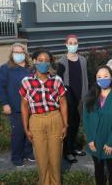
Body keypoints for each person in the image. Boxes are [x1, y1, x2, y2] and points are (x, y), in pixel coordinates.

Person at [19, 49, 68, 185]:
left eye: (47, 61)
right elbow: (24, 106)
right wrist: (26, 127)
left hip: (55, 119)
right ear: (34, 61)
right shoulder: (27, 81)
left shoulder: (57, 80)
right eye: (40, 60)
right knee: (41, 159)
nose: (43, 63)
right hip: (36, 121)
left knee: (55, 157)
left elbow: (63, 102)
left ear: (50, 62)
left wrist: (65, 124)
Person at [83, 65, 112, 185]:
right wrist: (90, 139)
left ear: (111, 77)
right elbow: (86, 119)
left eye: (106, 76)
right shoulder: (90, 97)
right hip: (94, 141)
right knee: (98, 168)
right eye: (99, 77)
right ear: (95, 79)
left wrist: (110, 142)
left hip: (111, 141)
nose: (103, 79)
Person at [0, 43, 34, 167]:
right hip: (15, 107)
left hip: (32, 107)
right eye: (15, 52)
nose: (18, 54)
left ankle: (28, 152)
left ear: (25, 54)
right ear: (11, 54)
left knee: (30, 130)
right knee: (18, 133)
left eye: (20, 52)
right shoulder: (5, 68)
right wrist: (5, 104)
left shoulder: (30, 68)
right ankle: (16, 156)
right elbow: (0, 87)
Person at [58, 34, 89, 163]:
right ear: (66, 44)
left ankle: (74, 147)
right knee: (67, 125)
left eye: (75, 42)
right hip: (68, 99)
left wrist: (86, 96)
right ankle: (67, 151)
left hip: (80, 97)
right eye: (70, 43)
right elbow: (58, 81)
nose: (73, 45)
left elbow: (85, 78)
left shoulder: (82, 59)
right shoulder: (61, 61)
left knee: (76, 124)